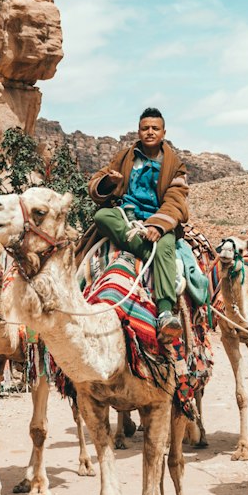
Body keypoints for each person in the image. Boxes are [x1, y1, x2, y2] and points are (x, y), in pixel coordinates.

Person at [89, 108, 188, 342]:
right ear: (139, 131)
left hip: (157, 217)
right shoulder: (125, 157)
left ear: (163, 132)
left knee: (165, 243)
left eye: (155, 128)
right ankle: (155, 259)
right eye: (145, 128)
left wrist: (158, 226)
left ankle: (164, 311)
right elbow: (95, 183)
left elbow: (175, 199)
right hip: (127, 216)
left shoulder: (175, 165)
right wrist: (109, 182)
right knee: (102, 216)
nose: (150, 132)